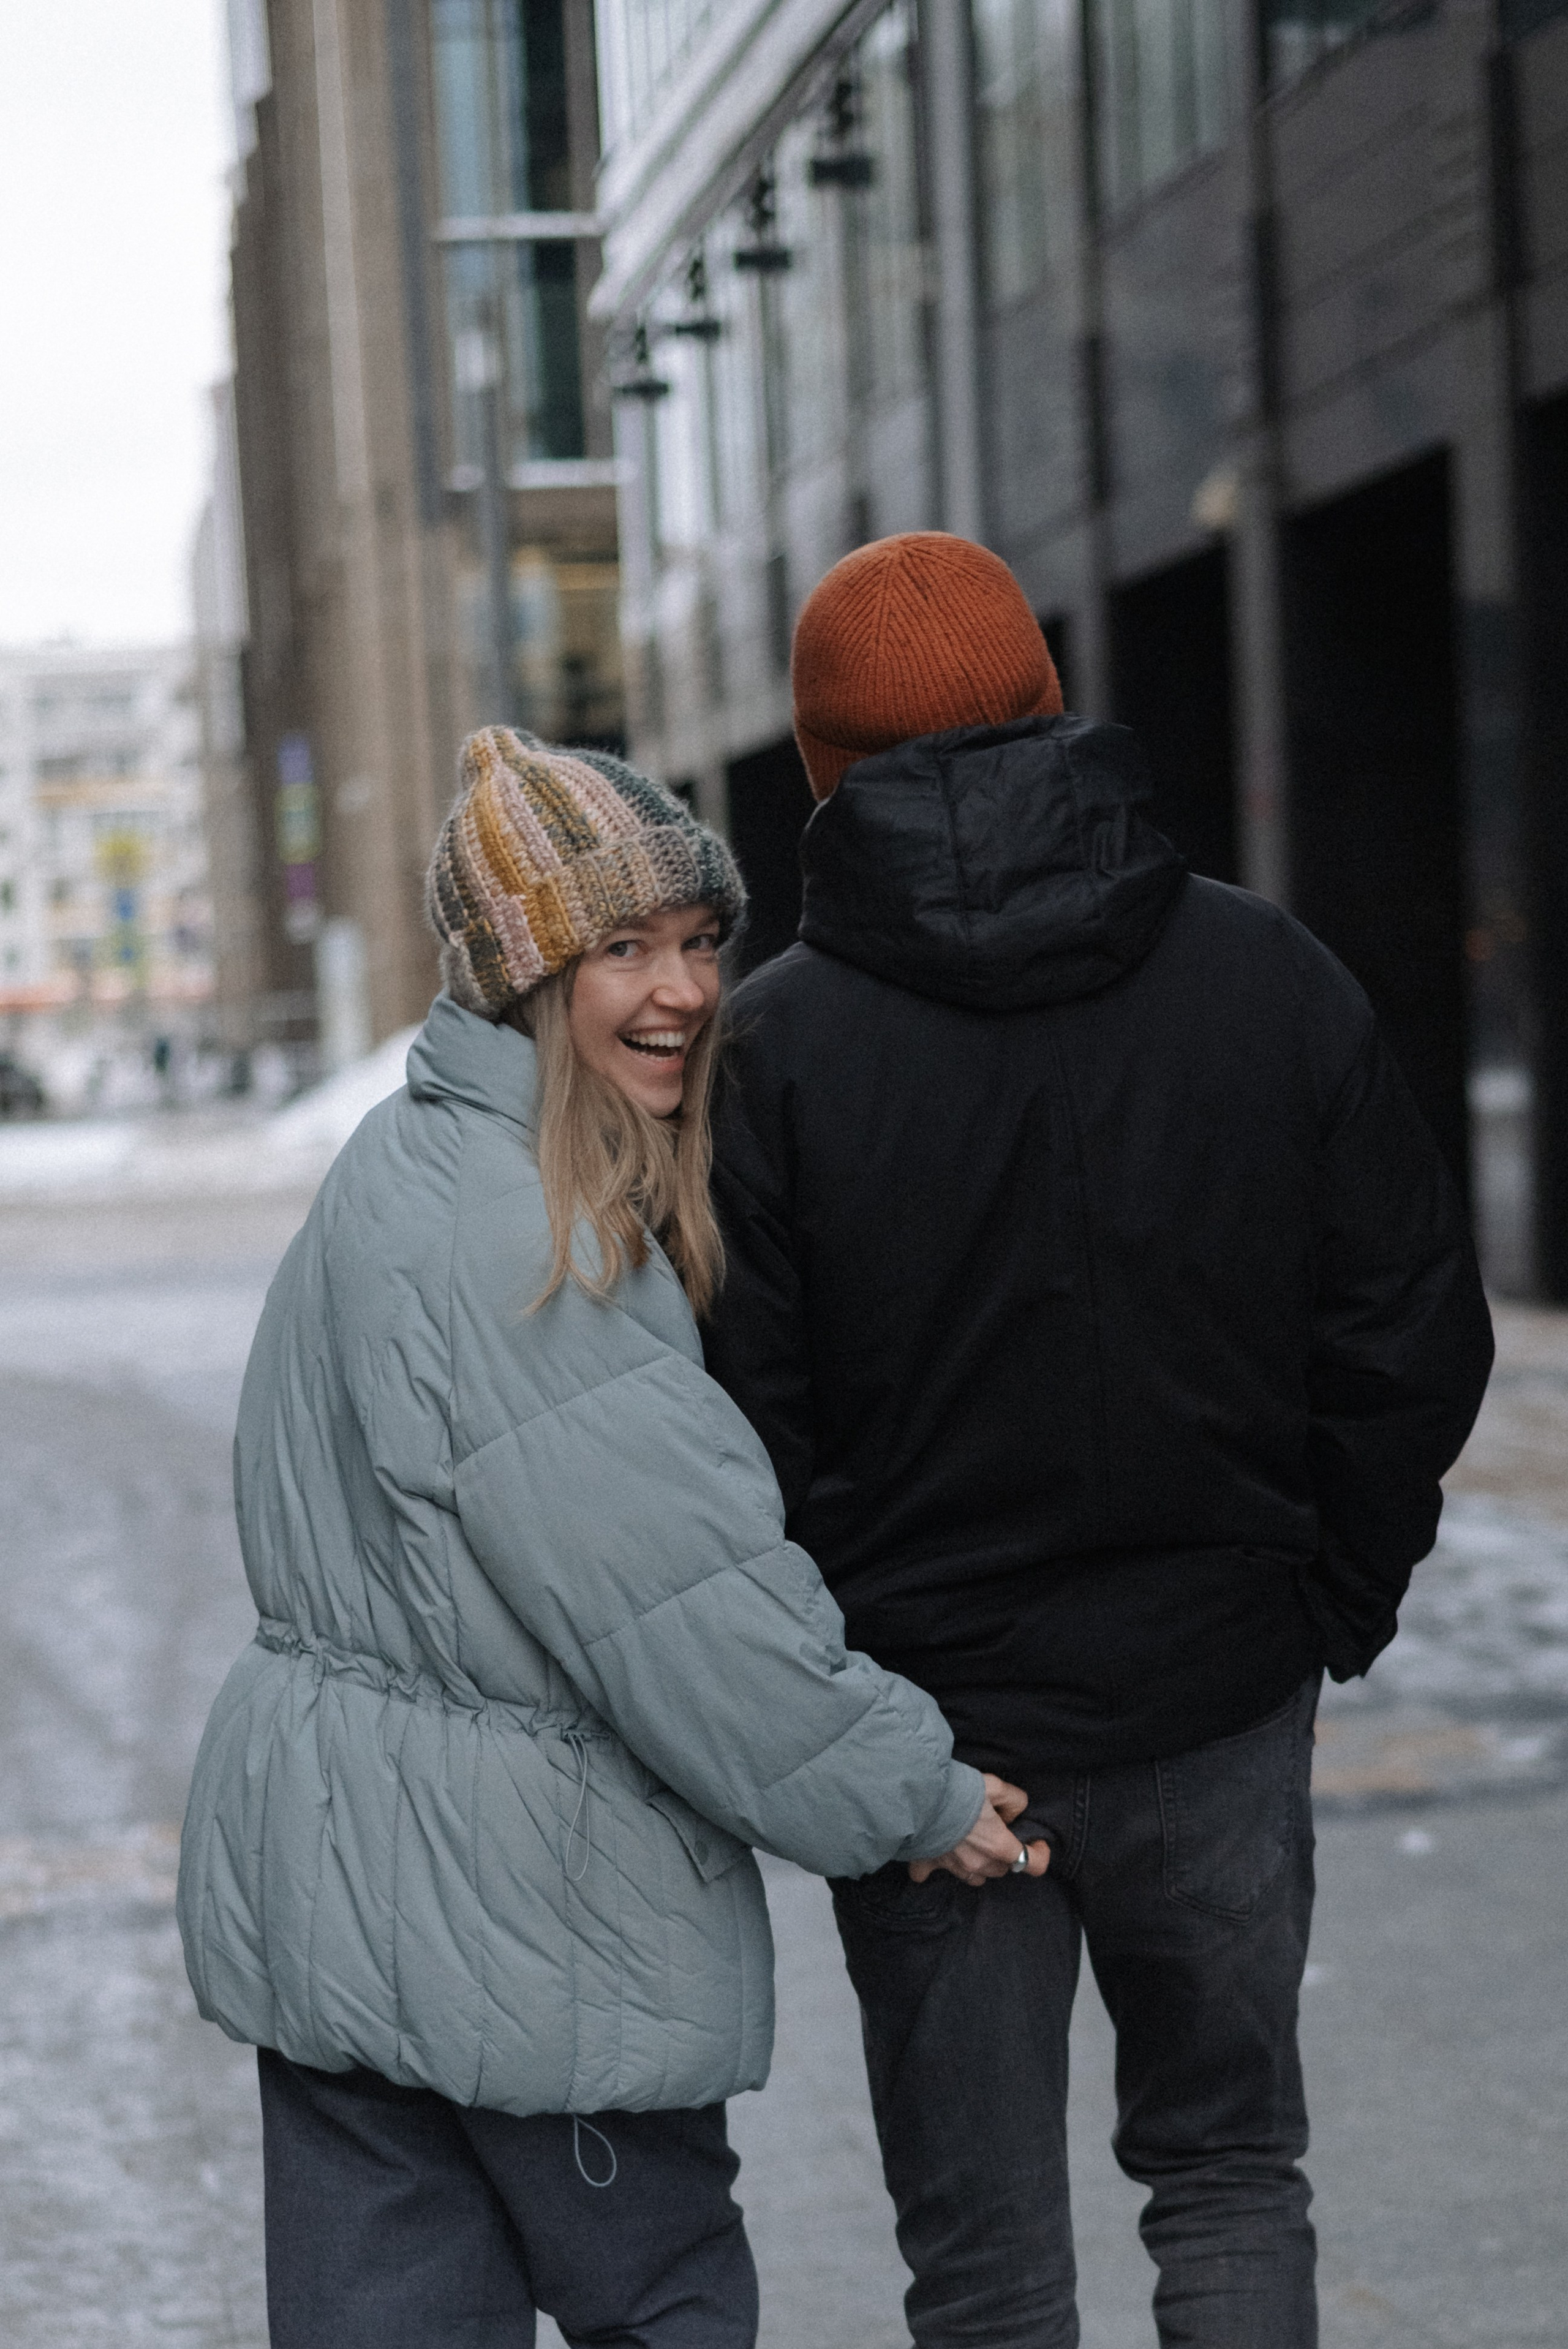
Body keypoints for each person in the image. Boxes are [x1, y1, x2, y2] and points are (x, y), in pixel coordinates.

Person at [701, 532, 1495, 2349]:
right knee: (1231, 2174)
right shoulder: (1267, 976)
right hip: (1217, 1689)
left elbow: (738, 1437)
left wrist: (849, 1702)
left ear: (823, 770)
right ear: (1053, 705)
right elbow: (1408, 1324)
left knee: (985, 2263)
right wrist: (1325, 1597)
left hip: (934, 1752)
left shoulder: (769, 1057)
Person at [177, 725, 1044, 2349]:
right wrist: (910, 1795)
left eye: (703, 940)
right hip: (528, 1920)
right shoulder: (531, 1237)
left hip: (346, 1888)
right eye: (624, 948)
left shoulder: (401, 1161)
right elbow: (686, 1607)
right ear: (524, 975)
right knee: (666, 2309)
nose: (686, 990)